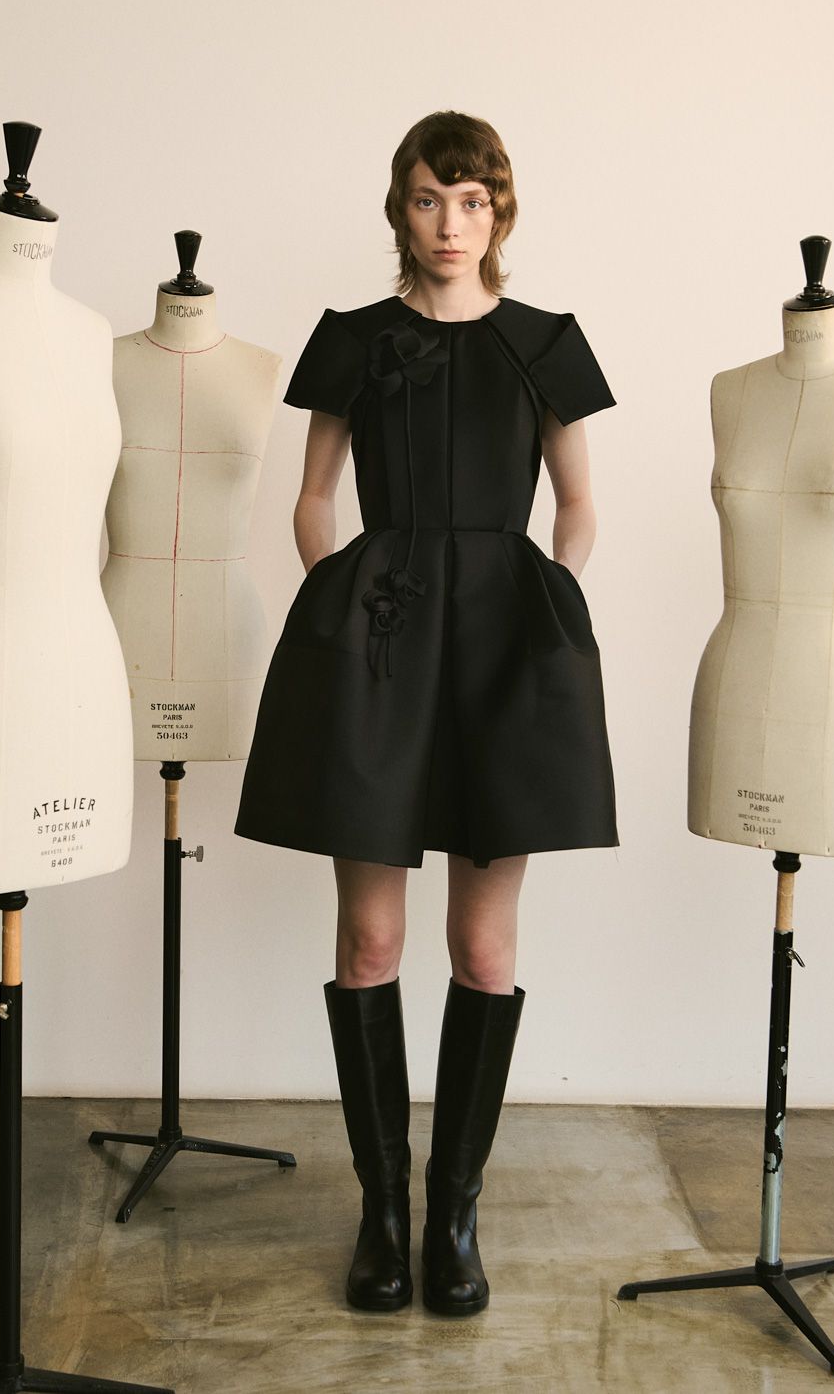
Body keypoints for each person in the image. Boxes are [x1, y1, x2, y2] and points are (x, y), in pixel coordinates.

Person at [234, 111, 618, 1315]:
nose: (450, 223)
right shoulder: (355, 340)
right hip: (382, 649)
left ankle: (455, 1214)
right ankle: (383, 1214)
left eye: (472, 200)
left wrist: (547, 605)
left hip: (506, 653)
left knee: (485, 949)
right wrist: (345, 610)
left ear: (499, 211)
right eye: (426, 199)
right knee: (369, 943)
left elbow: (578, 506)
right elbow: (312, 500)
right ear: (398, 209)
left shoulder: (544, 343)